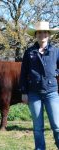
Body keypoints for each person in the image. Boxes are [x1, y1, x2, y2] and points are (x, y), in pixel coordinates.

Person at [20, 21, 59, 150]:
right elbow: (23, 73)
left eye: (45, 32)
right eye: (39, 32)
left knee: (57, 125)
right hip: (33, 93)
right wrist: (24, 92)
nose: (42, 34)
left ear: (48, 34)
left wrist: (54, 74)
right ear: (36, 35)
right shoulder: (29, 52)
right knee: (38, 128)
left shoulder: (55, 51)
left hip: (51, 92)